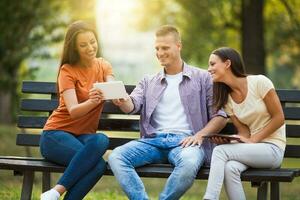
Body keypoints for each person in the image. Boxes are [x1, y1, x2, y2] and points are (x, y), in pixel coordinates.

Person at [108, 25, 227, 200]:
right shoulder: (148, 81)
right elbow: (131, 106)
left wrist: (200, 135)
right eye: (157, 48)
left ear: (178, 46)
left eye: (165, 48)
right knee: (116, 156)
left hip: (186, 143)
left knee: (189, 163)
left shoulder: (203, 78)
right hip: (152, 142)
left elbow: (220, 116)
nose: (160, 52)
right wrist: (122, 100)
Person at [40, 21, 114, 200]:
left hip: (83, 137)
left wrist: (115, 92)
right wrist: (92, 101)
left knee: (102, 139)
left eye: (92, 41)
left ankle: (55, 192)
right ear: (74, 49)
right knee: (97, 166)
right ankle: (56, 192)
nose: (90, 48)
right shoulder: (67, 71)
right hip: (55, 135)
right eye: (83, 45)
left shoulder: (103, 65)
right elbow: (73, 110)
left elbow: (111, 82)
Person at [203, 47, 286, 200]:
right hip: (253, 150)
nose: (209, 69)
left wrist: (253, 140)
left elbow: (279, 118)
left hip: (273, 149)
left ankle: (209, 198)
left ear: (227, 64)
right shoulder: (227, 99)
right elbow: (244, 133)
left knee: (220, 152)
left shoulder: (260, 82)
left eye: (213, 64)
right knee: (230, 168)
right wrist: (230, 139)